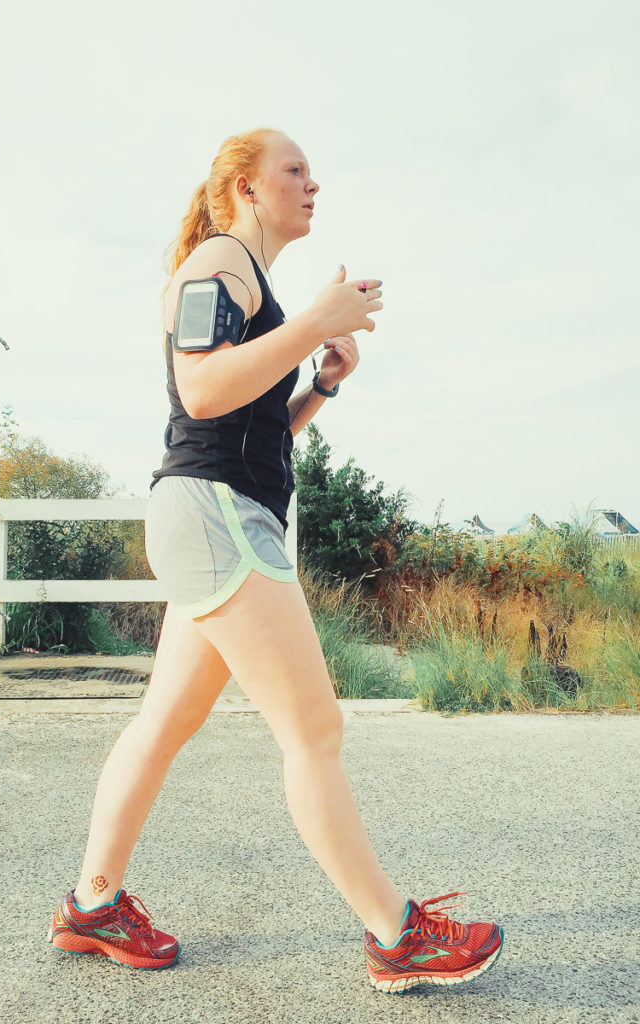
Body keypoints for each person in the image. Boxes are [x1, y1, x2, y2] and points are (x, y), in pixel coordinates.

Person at [47, 127, 504, 994]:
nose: (313, 183)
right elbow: (202, 389)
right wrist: (310, 325)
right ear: (246, 188)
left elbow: (250, 432)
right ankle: (396, 934)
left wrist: (322, 382)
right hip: (213, 517)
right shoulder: (217, 264)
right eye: (294, 170)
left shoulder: (244, 279)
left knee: (163, 726)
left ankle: (93, 905)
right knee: (315, 732)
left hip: (221, 509)